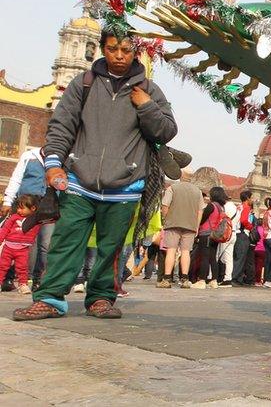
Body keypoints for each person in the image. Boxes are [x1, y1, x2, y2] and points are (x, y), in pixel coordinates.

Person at [13, 31, 177, 321]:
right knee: (65, 241)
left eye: (126, 50)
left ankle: (101, 297)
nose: (118, 55)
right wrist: (53, 165)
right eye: (112, 49)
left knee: (111, 248)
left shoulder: (150, 90)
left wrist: (147, 106)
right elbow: (62, 125)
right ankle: (50, 298)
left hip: (124, 186)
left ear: (135, 52)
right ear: (103, 49)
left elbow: (166, 131)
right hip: (79, 180)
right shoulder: (84, 83)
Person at [1, 148, 51, 289]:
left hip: (47, 205)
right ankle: (8, 279)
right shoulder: (29, 155)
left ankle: (38, 280)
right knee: (16, 239)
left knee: (45, 243)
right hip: (26, 204)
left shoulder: (60, 157)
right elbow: (16, 178)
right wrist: (7, 201)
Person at [157, 180, 205, 288]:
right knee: (186, 252)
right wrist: (196, 225)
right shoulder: (198, 191)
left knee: (171, 251)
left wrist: (166, 219)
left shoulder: (172, 188)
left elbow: (165, 205)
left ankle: (167, 279)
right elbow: (200, 210)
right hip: (190, 225)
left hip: (173, 223)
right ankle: (185, 279)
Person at [0, 195, 41, 293]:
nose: (19, 210)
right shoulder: (14, 217)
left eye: (22, 208)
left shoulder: (36, 220)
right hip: (8, 247)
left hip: (23, 249)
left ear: (33, 208)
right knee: (2, 266)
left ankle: (23, 284)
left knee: (22, 268)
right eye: (18, 208)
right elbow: (5, 229)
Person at [189, 187, 228, 289]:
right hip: (216, 235)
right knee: (212, 258)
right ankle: (214, 280)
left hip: (206, 233)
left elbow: (202, 218)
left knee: (204, 257)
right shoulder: (221, 207)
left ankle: (202, 280)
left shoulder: (211, 206)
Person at [231, 190, 256, 285]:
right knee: (241, 257)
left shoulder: (239, 207)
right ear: (248, 198)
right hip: (243, 233)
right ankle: (234, 278)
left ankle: (238, 278)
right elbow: (244, 220)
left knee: (237, 256)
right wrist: (251, 227)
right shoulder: (246, 207)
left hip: (236, 232)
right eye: (251, 197)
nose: (252, 200)